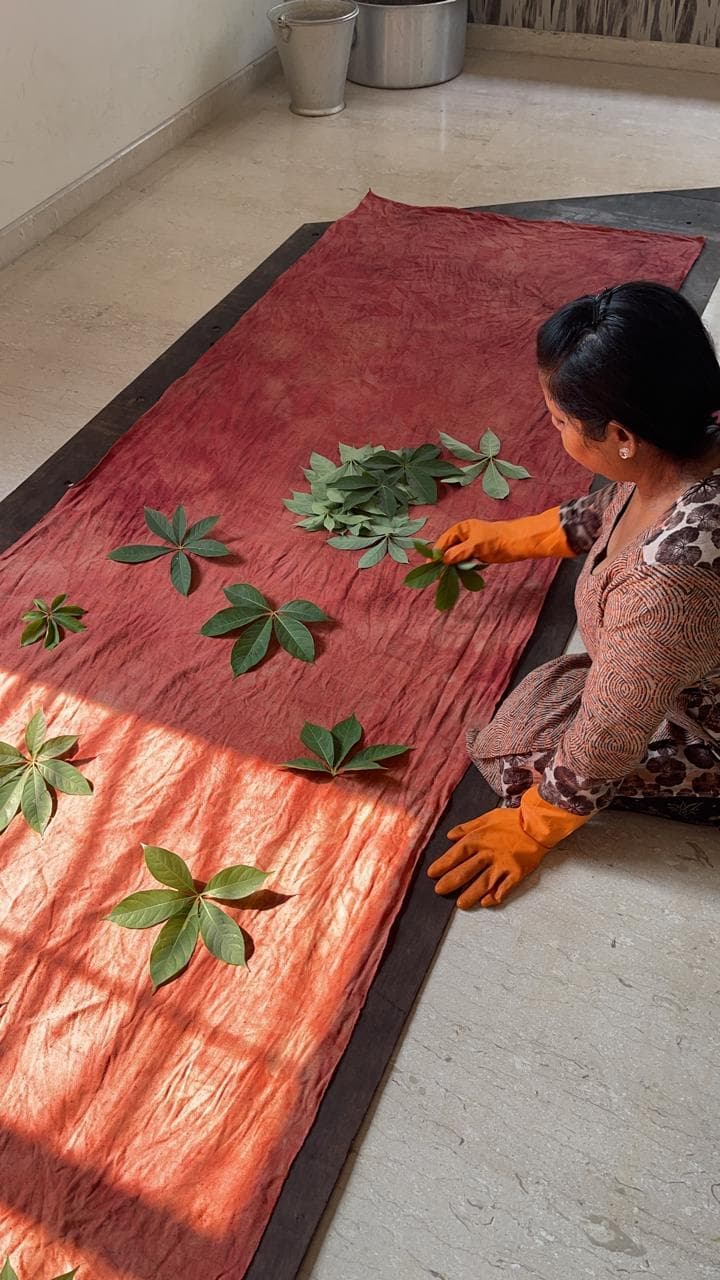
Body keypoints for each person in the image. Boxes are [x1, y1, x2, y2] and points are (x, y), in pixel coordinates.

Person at [428, 281, 720, 910]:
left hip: (707, 711)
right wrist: (507, 538)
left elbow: (612, 731)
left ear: (620, 434)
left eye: (559, 421)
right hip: (676, 648)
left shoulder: (670, 585)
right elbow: (616, 504)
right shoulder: (692, 436)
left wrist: (534, 825)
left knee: (522, 752)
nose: (555, 431)